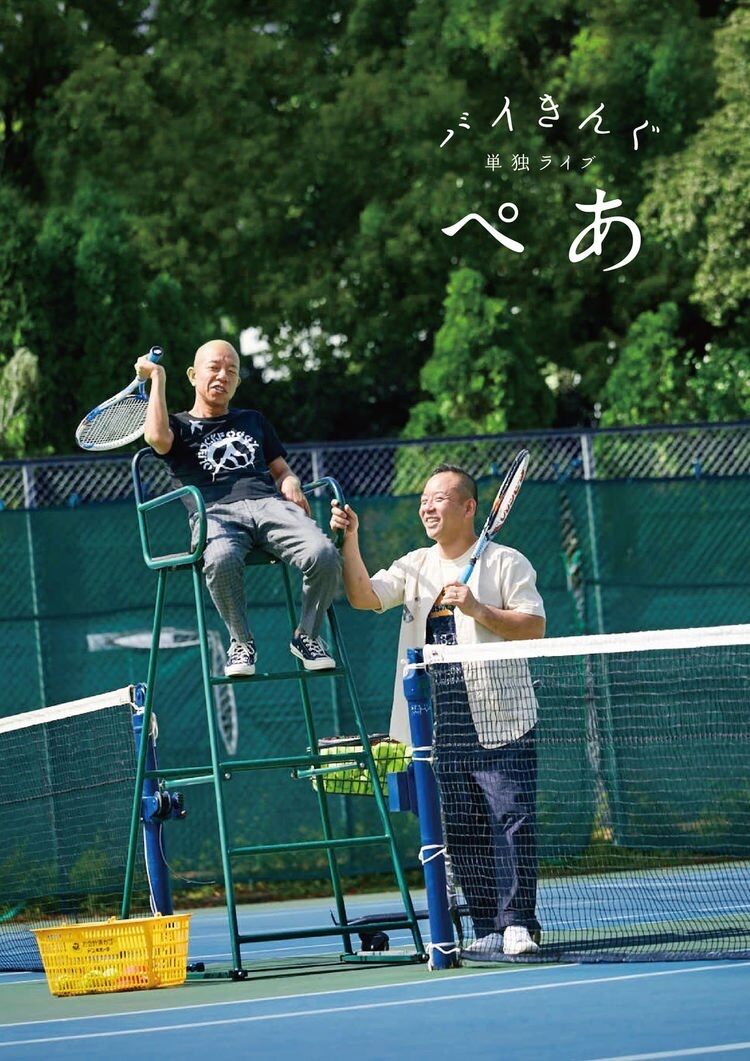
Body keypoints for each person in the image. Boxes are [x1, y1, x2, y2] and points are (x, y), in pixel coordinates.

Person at [330, 464, 546, 957]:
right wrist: (350, 540)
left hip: (502, 717)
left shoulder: (506, 562)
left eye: (439, 498)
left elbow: (534, 627)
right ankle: (487, 925)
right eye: (423, 499)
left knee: (511, 820)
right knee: (463, 827)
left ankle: (518, 923)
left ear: (469, 508)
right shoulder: (414, 566)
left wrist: (478, 609)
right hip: (438, 726)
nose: (427, 507)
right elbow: (363, 597)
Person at [137, 339, 340, 676]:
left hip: (269, 505)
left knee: (325, 553)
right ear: (193, 375)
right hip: (214, 512)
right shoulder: (178, 426)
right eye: (214, 368)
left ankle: (307, 636)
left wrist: (290, 480)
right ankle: (241, 642)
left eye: (231, 371)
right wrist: (157, 377)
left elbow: (281, 470)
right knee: (220, 558)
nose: (222, 376)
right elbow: (155, 438)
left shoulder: (253, 420)